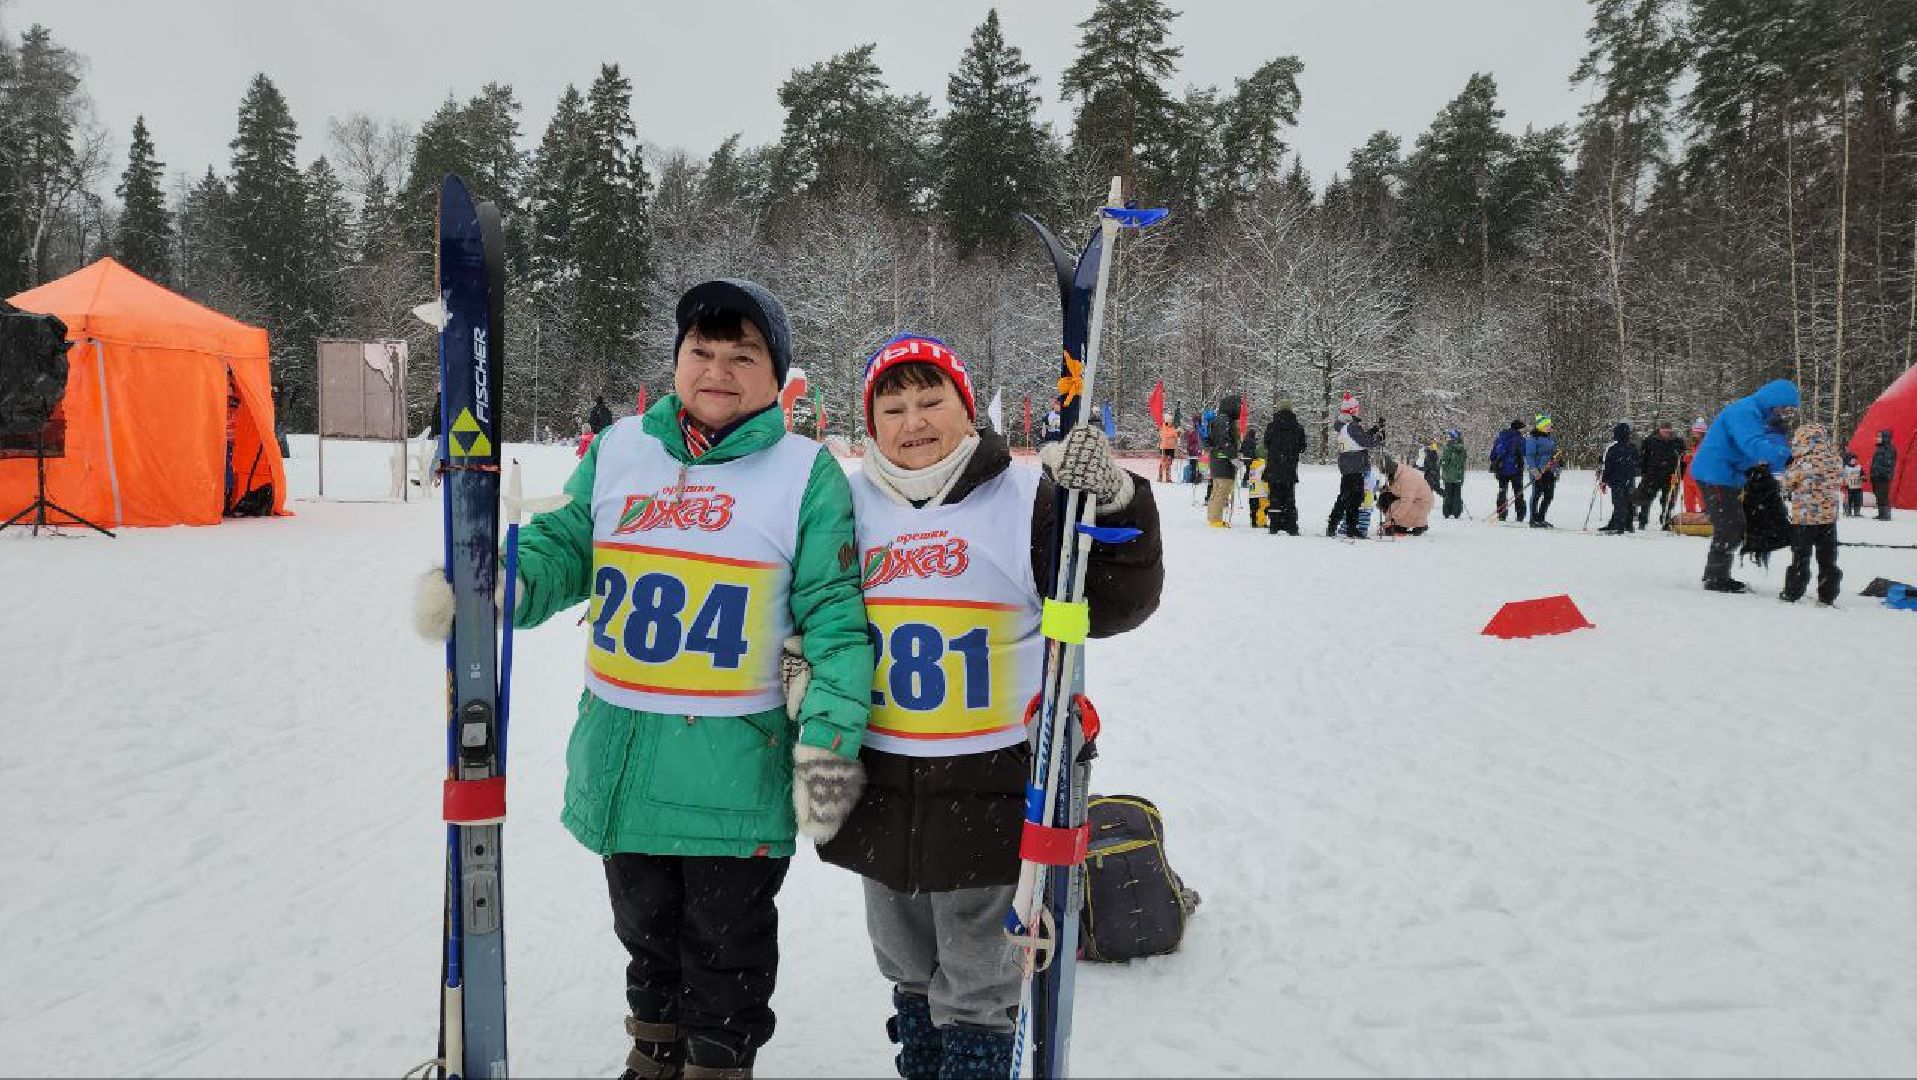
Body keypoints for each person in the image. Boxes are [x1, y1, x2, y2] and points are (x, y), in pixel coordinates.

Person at [417, 279, 873, 1077]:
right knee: (646, 934)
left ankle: (716, 1063)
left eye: (743, 356)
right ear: (676, 361)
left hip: (735, 767)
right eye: (701, 351)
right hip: (622, 757)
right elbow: (565, 547)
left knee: (726, 950)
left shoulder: (806, 473)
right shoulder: (623, 447)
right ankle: (654, 1054)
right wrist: (492, 586)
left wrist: (829, 750)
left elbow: (836, 618)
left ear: (778, 378)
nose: (718, 371)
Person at [818, 335, 1163, 1079]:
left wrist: (1114, 498)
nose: (914, 421)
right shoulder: (843, 503)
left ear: (966, 409)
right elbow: (807, 602)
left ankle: (975, 1062)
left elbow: (1115, 599)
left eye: (931, 400)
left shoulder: (1024, 498)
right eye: (893, 405)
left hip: (993, 776)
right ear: (870, 422)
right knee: (905, 956)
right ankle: (922, 1057)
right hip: (878, 774)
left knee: (980, 973)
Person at [1691, 379, 1799, 593]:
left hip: (1728, 474)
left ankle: (1716, 573)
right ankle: (1715, 577)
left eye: (1788, 409)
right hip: (1715, 473)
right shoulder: (1744, 412)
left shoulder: (1759, 415)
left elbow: (1762, 444)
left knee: (1734, 523)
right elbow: (1751, 443)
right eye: (1783, 406)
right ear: (1773, 400)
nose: (1784, 411)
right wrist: (1784, 456)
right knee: (1730, 524)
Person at [1780, 421, 1843, 605]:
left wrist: (1789, 469)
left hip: (1805, 520)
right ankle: (1827, 593)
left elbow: (1786, 483)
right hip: (1828, 519)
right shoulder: (1835, 460)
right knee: (1828, 559)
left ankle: (1793, 591)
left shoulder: (1802, 463)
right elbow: (1842, 479)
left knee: (1801, 557)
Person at [1325, 392, 1384, 538]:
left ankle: (1334, 525)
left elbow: (1358, 439)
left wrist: (1374, 430)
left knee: (1346, 497)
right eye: (1357, 409)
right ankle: (1349, 527)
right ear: (1352, 411)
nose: (1358, 411)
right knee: (1354, 498)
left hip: (1347, 465)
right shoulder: (1352, 426)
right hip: (1356, 466)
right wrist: (1379, 438)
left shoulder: (1343, 426)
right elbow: (1365, 442)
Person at [1261, 402, 1307, 535]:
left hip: (1274, 467)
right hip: (1289, 467)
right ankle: (1291, 525)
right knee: (1289, 497)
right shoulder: (1297, 427)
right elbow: (1302, 446)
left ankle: (1274, 524)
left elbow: (1266, 444)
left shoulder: (1271, 426)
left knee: (1274, 496)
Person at [1635, 420, 1685, 529]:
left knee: (1668, 500)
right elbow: (1643, 457)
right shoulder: (1650, 441)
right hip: (1652, 475)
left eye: (1668, 431)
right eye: (1664, 431)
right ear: (1660, 430)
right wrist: (1643, 471)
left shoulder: (1677, 442)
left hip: (1670, 476)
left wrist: (1680, 473)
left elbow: (1682, 460)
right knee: (1646, 498)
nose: (1666, 433)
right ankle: (1642, 521)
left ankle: (1665, 520)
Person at [1375, 452, 1433, 536]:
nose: (1386, 476)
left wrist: (1392, 520)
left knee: (1391, 503)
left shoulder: (1406, 478)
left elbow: (1406, 503)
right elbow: (1398, 489)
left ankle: (1403, 524)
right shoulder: (1398, 472)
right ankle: (1399, 524)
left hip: (1420, 504)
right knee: (1385, 497)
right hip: (1413, 501)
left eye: (1386, 473)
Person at [1597, 422, 1640, 533]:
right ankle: (1627, 525)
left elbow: (1608, 466)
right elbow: (1637, 463)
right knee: (1628, 501)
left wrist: (1604, 480)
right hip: (1629, 480)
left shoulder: (1613, 449)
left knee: (1619, 502)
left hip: (1617, 480)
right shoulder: (1632, 448)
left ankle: (1619, 525)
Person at [1206, 393, 1241, 528]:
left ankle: (1212, 516)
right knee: (1222, 491)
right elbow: (1225, 441)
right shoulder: (1225, 421)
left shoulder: (1218, 420)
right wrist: (1233, 457)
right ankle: (1215, 519)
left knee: (1216, 491)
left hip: (1216, 460)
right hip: (1223, 462)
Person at [1524, 415, 1561, 528]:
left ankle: (1541, 518)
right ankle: (1533, 519)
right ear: (1541, 426)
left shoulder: (1550, 439)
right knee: (1537, 494)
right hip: (1539, 471)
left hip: (1549, 471)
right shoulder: (1533, 438)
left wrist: (1558, 466)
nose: (1550, 427)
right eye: (1547, 425)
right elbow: (1529, 456)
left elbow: (1554, 455)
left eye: (1550, 425)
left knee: (1549, 495)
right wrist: (1534, 470)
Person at [1489, 419, 1526, 522]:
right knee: (1518, 492)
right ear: (1518, 428)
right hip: (1515, 470)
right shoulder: (1520, 439)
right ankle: (1520, 515)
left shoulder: (1500, 438)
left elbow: (1493, 455)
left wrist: (1496, 464)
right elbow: (1525, 451)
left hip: (1501, 470)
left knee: (1502, 492)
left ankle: (1501, 514)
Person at [1680, 417, 1708, 514]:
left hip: (1700, 475)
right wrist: (1686, 456)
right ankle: (1690, 513)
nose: (1695, 435)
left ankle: (1705, 512)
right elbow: (1686, 460)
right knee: (1688, 497)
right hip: (1688, 475)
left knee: (1702, 496)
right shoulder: (1691, 444)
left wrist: (1694, 455)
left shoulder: (1706, 444)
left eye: (1698, 433)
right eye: (1694, 433)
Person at [1869, 428, 1897, 520]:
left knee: (1883, 494)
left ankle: (1886, 514)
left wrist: (1882, 472)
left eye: (1879, 436)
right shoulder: (1879, 448)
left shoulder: (1889, 449)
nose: (1877, 438)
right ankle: (1881, 513)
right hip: (1877, 476)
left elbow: (1889, 463)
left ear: (1885, 437)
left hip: (1883, 476)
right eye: (1877, 436)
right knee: (1878, 494)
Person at [1439, 429, 1466, 519]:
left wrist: (1441, 463)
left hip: (1449, 476)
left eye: (1449, 436)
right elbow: (1463, 463)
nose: (1448, 438)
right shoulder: (1462, 449)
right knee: (1457, 494)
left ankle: (1447, 512)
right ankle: (1456, 512)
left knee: (1448, 494)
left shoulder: (1448, 448)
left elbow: (1444, 462)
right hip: (1458, 475)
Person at [1156, 416, 1179, 482]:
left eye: (1171, 421)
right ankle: (1160, 477)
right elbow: (1166, 435)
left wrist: (1178, 433)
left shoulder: (1173, 428)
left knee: (1169, 463)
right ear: (1167, 422)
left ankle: (1168, 478)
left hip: (1171, 448)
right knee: (1163, 462)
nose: (1171, 423)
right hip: (1164, 448)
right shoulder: (1163, 428)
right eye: (1170, 421)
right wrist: (1174, 433)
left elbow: (1176, 436)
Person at [1842, 452, 1865, 517]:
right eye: (1852, 460)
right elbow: (1842, 477)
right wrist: (1844, 483)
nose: (1854, 461)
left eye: (1855, 459)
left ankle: (1857, 512)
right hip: (1849, 487)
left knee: (1857, 500)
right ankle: (1847, 511)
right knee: (1849, 500)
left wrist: (1863, 477)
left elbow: (1863, 475)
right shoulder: (1845, 468)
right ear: (1849, 460)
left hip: (1858, 487)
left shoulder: (1859, 467)